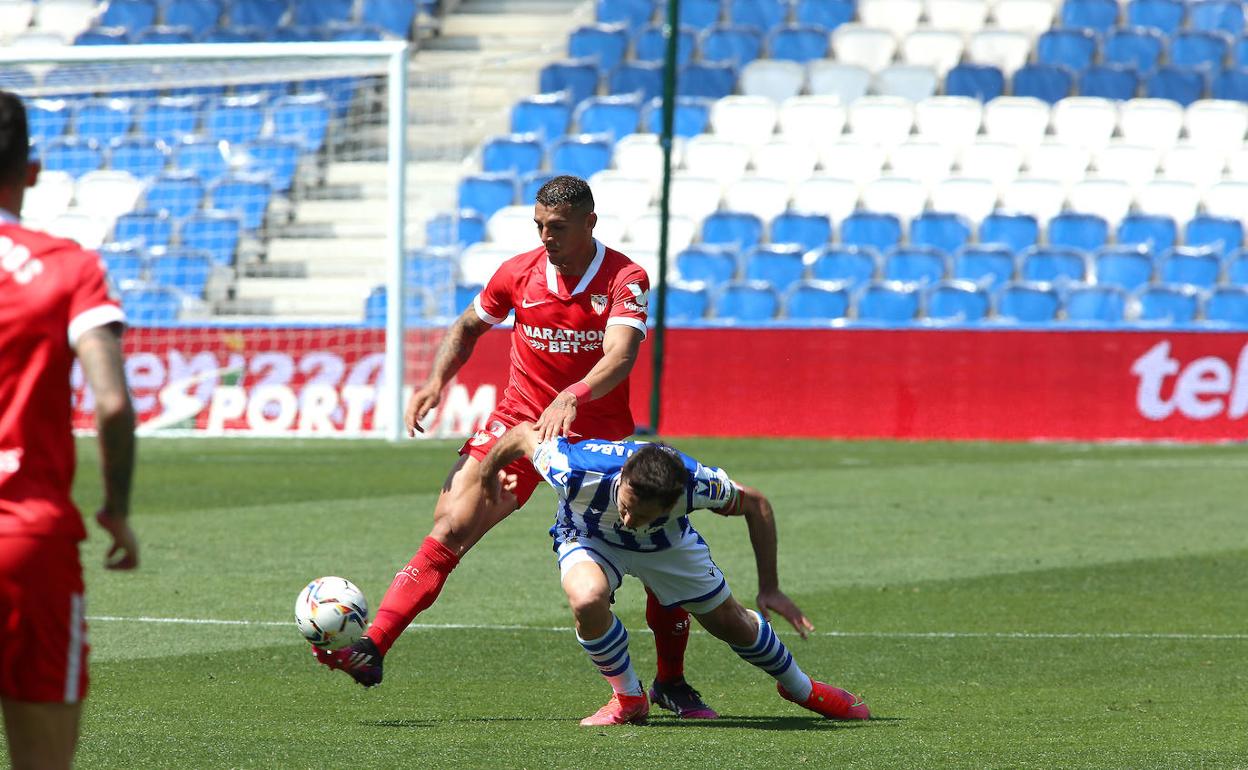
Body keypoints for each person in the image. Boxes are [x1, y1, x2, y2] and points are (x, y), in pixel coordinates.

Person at [316, 176, 717, 717]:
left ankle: (671, 680)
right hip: (517, 422)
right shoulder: (517, 273)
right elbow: (467, 327)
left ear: (588, 223)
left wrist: (573, 394)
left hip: (598, 441)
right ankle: (374, 646)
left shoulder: (625, 277)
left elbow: (620, 355)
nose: (546, 237)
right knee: (452, 524)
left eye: (557, 227)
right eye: (539, 226)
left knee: (652, 551)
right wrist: (437, 381)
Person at [476, 422, 870, 725]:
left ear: (674, 501)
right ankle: (630, 698)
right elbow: (524, 435)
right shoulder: (575, 468)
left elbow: (758, 505)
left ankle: (802, 689)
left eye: (642, 514)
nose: (629, 519)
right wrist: (487, 472)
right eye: (625, 504)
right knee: (586, 597)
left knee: (733, 625)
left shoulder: (698, 483)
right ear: (623, 479)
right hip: (589, 536)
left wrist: (770, 587)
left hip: (667, 547)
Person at [0, 91, 139, 770]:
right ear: (31, 170)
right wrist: (115, 510)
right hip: (30, 543)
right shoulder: (69, 268)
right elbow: (110, 403)